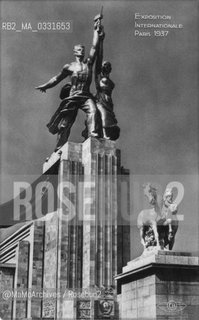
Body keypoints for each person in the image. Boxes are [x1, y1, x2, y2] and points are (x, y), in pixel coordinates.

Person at [36, 17, 104, 150]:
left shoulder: (88, 64)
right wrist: (45, 86)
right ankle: (59, 147)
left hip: (85, 96)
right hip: (73, 96)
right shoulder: (69, 67)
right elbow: (56, 79)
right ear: (75, 52)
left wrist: (96, 30)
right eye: (79, 50)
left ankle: (93, 135)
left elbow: (95, 47)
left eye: (83, 50)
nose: (82, 51)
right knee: (65, 124)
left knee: (94, 112)